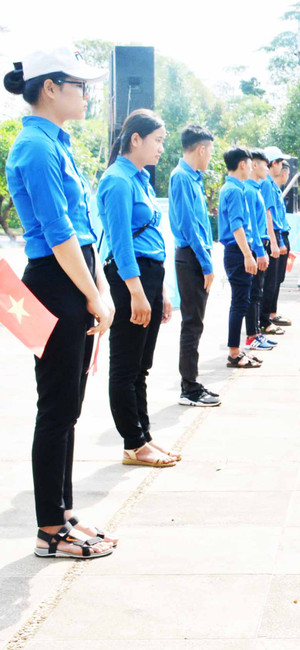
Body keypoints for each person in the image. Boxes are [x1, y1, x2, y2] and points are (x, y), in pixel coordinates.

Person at [5, 46, 118, 558]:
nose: (87, 95)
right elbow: (58, 234)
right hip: (56, 283)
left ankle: (64, 513)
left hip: (74, 279)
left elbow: (82, 230)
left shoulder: (56, 142)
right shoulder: (35, 147)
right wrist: (95, 295)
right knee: (55, 408)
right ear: (50, 88)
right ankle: (50, 528)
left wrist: (99, 290)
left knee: (68, 407)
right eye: (80, 86)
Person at [98, 109, 179, 470]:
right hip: (131, 279)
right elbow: (121, 242)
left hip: (149, 277)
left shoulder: (140, 179)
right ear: (136, 139)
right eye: (157, 140)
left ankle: (143, 436)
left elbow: (150, 239)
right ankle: (132, 443)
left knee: (141, 366)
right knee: (126, 365)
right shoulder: (117, 181)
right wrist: (136, 291)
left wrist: (160, 291)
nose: (161, 148)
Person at [169, 125, 221, 407]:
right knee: (191, 323)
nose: (210, 157)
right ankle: (189, 388)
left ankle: (192, 382)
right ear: (201, 149)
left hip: (195, 256)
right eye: (210, 151)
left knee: (195, 323)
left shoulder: (193, 178)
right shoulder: (181, 177)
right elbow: (189, 226)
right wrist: (205, 262)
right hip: (190, 256)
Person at [219, 146, 261, 369]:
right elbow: (237, 225)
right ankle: (234, 353)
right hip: (237, 251)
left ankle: (236, 349)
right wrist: (247, 255)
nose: (252, 169)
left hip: (237, 251)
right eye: (250, 164)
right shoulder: (234, 190)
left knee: (241, 301)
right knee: (239, 302)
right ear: (242, 164)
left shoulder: (232, 188)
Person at [243, 149, 274, 351]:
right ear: (254, 165)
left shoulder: (256, 189)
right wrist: (259, 251)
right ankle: (252, 335)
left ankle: (256, 332)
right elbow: (252, 225)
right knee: (253, 293)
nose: (267, 169)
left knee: (257, 292)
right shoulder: (248, 190)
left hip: (260, 244)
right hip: (256, 246)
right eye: (265, 165)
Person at [260, 145, 293, 329]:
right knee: (270, 281)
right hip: (275, 236)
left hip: (279, 234)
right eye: (280, 162)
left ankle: (270, 314)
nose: (281, 166)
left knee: (276, 279)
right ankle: (264, 319)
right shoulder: (266, 184)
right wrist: (276, 241)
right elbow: (269, 215)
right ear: (273, 163)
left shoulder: (272, 185)